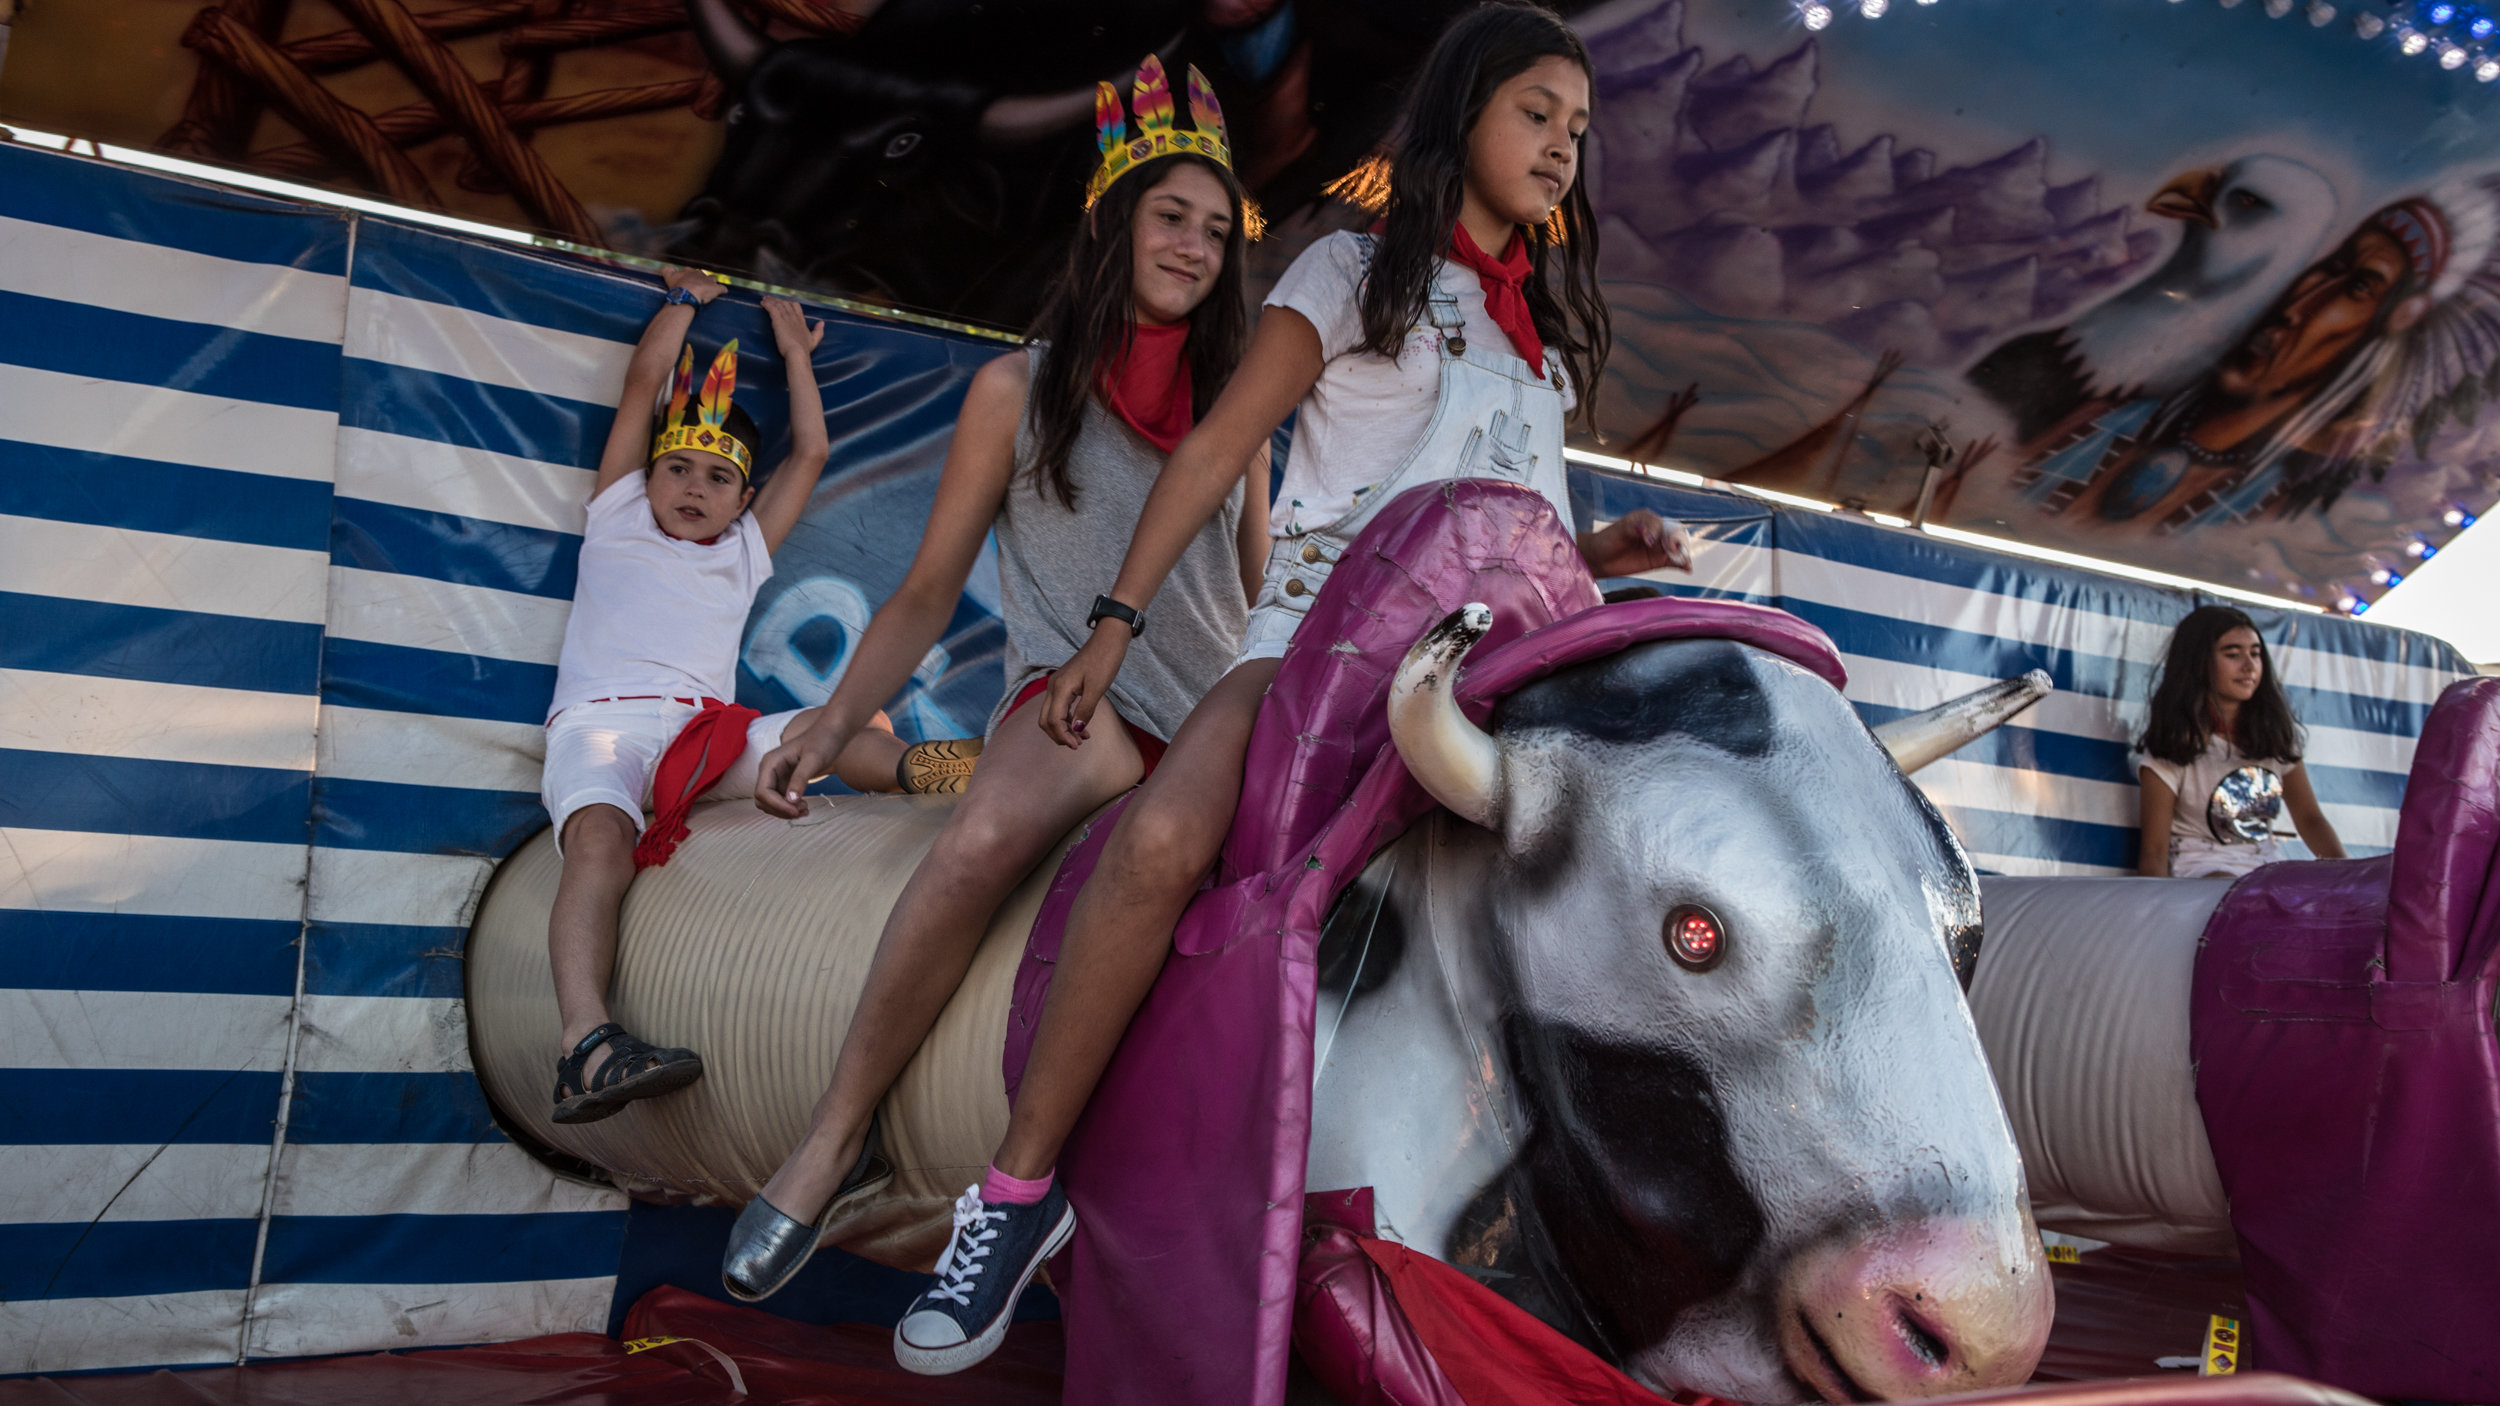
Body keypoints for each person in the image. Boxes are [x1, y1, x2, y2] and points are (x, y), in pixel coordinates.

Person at [882, 2, 1694, 1376]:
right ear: (1460, 117)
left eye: (1579, 129)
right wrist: (1115, 626)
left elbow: (1519, 537)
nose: (1563, 148)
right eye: (1535, 115)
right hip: (1312, 650)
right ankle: (1017, 1194)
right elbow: (1210, 459)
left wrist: (1606, 554)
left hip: (1484, 685)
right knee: (1152, 844)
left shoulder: (1543, 353)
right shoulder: (1343, 274)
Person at [716, 57, 1267, 1319]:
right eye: (1170, 214)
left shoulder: (1241, 408)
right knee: (977, 840)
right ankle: (833, 1131)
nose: (1191, 244)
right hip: (1075, 700)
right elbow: (922, 592)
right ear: (1115, 218)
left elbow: (1257, 593)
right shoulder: (1013, 392)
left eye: (1214, 228)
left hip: (1207, 718)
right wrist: (835, 723)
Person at [542, 268, 907, 1125]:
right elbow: (642, 389)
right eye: (677, 468)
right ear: (648, 476)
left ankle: (948, 775)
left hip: (708, 740)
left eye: (716, 477)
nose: (693, 488)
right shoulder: (619, 511)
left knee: (843, 723)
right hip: (603, 732)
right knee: (599, 836)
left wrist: (794, 352)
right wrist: (684, 302)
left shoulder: (743, 549)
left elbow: (810, 453)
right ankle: (585, 1046)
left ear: (745, 498)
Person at [2134, 604, 2345, 879]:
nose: (2249, 666)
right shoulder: (2172, 749)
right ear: (2199, 663)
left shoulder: (2276, 739)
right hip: (2202, 875)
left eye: (2256, 654)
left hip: (2264, 872)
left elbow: (2311, 820)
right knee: (2235, 890)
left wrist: (2348, 878)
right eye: (2233, 654)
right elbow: (2154, 850)